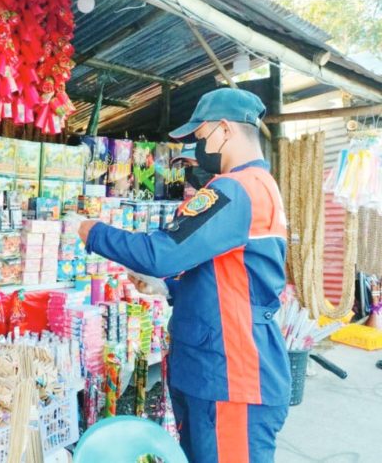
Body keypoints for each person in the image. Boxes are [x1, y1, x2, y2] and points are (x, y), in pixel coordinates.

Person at [79, 89, 291, 463]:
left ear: (224, 130)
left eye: (200, 135)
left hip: (231, 375)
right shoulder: (259, 185)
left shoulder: (236, 189)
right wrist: (170, 288)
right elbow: (233, 276)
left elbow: (161, 253)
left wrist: (93, 232)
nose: (198, 145)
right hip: (221, 369)